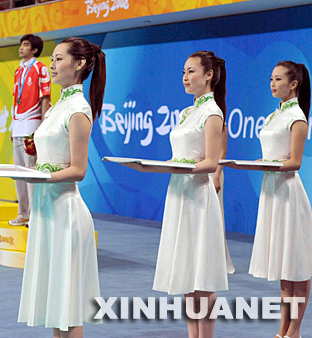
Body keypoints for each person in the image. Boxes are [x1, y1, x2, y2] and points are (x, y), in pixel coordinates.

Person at [124, 51, 228, 338]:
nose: (185, 76)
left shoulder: (213, 112)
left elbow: (210, 162)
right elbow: (178, 156)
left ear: (209, 75)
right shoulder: (186, 112)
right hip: (179, 194)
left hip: (198, 197)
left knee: (202, 276)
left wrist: (170, 167)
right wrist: (153, 168)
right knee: (186, 273)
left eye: (192, 71)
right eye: (183, 71)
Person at [18, 37, 106, 338]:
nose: (51, 65)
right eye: (52, 59)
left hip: (66, 215)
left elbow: (78, 170)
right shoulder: (59, 105)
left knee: (68, 312)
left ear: (79, 64)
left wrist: (37, 177)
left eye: (58, 59)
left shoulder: (79, 109)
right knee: (56, 308)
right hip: (47, 213)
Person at [224, 61, 312, 338]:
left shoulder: (297, 117)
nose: (272, 84)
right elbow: (269, 157)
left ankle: (295, 330)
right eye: (271, 79)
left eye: (278, 79)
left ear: (294, 83)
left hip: (289, 195)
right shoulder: (272, 116)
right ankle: (282, 328)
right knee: (283, 266)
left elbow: (294, 163)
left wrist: (262, 166)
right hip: (272, 193)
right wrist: (249, 164)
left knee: (296, 266)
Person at [9, 34, 51, 225]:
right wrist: (12, 126)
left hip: (32, 124)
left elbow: (45, 99)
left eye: (25, 45)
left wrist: (43, 126)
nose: (21, 48)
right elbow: (15, 100)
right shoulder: (19, 71)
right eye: (21, 45)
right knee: (19, 172)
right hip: (18, 124)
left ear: (34, 50)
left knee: (31, 172)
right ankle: (23, 212)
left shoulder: (41, 69)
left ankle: (35, 214)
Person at [213, 124, 235, 274]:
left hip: (213, 173)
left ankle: (218, 262)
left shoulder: (219, 121)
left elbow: (223, 151)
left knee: (215, 218)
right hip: (197, 172)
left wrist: (216, 175)